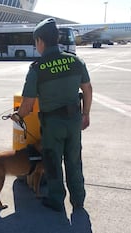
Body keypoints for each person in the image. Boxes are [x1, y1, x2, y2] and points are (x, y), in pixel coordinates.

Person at [11, 18, 93, 212]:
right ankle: (78, 200)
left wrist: (17, 116)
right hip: (74, 121)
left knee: (53, 163)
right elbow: (87, 89)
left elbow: (28, 104)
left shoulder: (37, 68)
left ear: (40, 41)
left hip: (52, 125)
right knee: (74, 161)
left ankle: (57, 200)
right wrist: (86, 114)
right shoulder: (75, 60)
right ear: (56, 38)